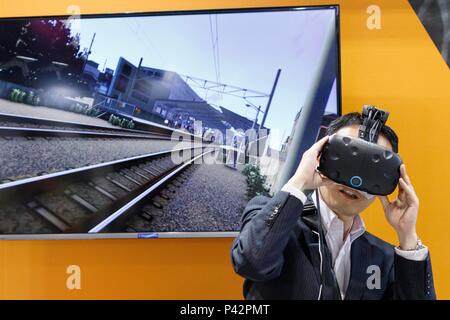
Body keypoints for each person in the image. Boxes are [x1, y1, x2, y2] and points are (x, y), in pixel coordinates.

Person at [231, 112, 436, 300]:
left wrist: (407, 235)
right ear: (321, 156)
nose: (353, 181)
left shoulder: (384, 257)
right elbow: (250, 263)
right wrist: (299, 182)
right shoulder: (272, 221)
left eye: (371, 169)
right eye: (346, 160)